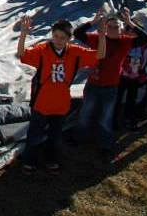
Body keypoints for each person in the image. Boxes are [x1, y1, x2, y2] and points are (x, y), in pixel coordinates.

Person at [18, 15, 106, 174]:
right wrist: (23, 33)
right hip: (41, 102)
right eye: (56, 36)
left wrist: (102, 36)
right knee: (35, 134)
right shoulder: (43, 49)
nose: (58, 40)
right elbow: (22, 55)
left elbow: (99, 55)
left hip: (61, 103)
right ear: (52, 35)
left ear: (69, 39)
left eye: (62, 37)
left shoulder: (74, 52)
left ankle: (51, 160)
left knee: (55, 136)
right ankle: (29, 161)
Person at [74, 8, 147, 158]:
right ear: (105, 28)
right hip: (93, 85)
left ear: (122, 29)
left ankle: (105, 144)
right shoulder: (97, 38)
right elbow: (77, 34)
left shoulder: (125, 42)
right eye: (110, 26)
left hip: (111, 86)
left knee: (105, 117)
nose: (113, 29)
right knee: (85, 113)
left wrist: (130, 23)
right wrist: (93, 22)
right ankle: (79, 138)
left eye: (117, 26)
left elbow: (145, 39)